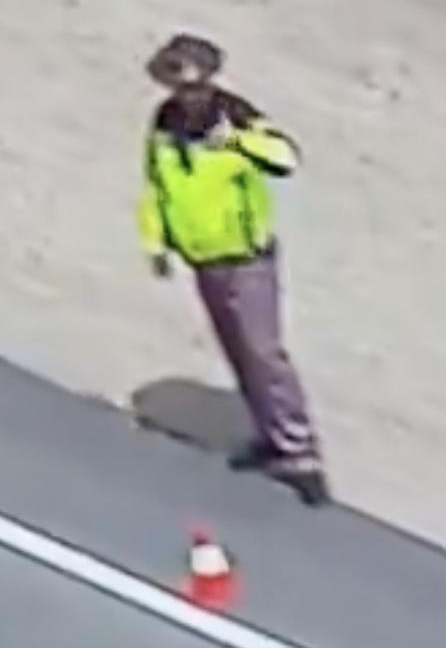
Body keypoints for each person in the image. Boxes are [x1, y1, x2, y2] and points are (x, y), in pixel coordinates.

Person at [137, 32, 327, 505]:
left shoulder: (235, 118)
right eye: (179, 86)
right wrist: (156, 241)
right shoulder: (164, 125)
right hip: (203, 258)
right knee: (240, 351)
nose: (188, 95)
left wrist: (238, 142)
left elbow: (285, 159)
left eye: (195, 85)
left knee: (263, 351)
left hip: (246, 258)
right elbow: (157, 187)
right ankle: (271, 438)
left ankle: (300, 451)